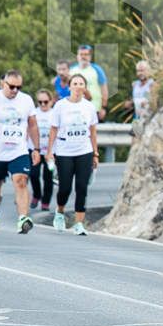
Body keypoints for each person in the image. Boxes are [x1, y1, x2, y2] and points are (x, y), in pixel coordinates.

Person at [46, 74, 99, 235]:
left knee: (82, 187)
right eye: (74, 83)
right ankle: (60, 212)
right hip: (64, 151)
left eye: (81, 83)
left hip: (84, 150)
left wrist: (95, 153)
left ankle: (79, 223)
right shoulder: (60, 106)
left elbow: (93, 131)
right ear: (69, 87)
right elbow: (54, 129)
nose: (77, 86)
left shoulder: (89, 106)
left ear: (84, 87)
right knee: (65, 188)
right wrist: (49, 152)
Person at [0, 70, 40, 233]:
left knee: (21, 180)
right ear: (3, 84)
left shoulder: (26, 100)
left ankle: (23, 219)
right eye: (11, 87)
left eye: (19, 87)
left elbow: (32, 124)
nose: (15, 90)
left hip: (18, 150)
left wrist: (36, 148)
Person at [29, 90, 55, 211]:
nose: (43, 104)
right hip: (35, 149)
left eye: (46, 102)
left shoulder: (55, 113)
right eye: (40, 102)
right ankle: (37, 194)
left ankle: (45, 202)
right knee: (33, 174)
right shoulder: (34, 113)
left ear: (51, 101)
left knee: (48, 177)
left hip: (50, 151)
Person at [70, 44, 109, 121]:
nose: (83, 57)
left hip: (94, 108)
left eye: (86, 54)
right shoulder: (71, 70)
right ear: (77, 56)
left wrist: (103, 107)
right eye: (81, 54)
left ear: (90, 56)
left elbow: (104, 89)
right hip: (75, 108)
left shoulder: (97, 69)